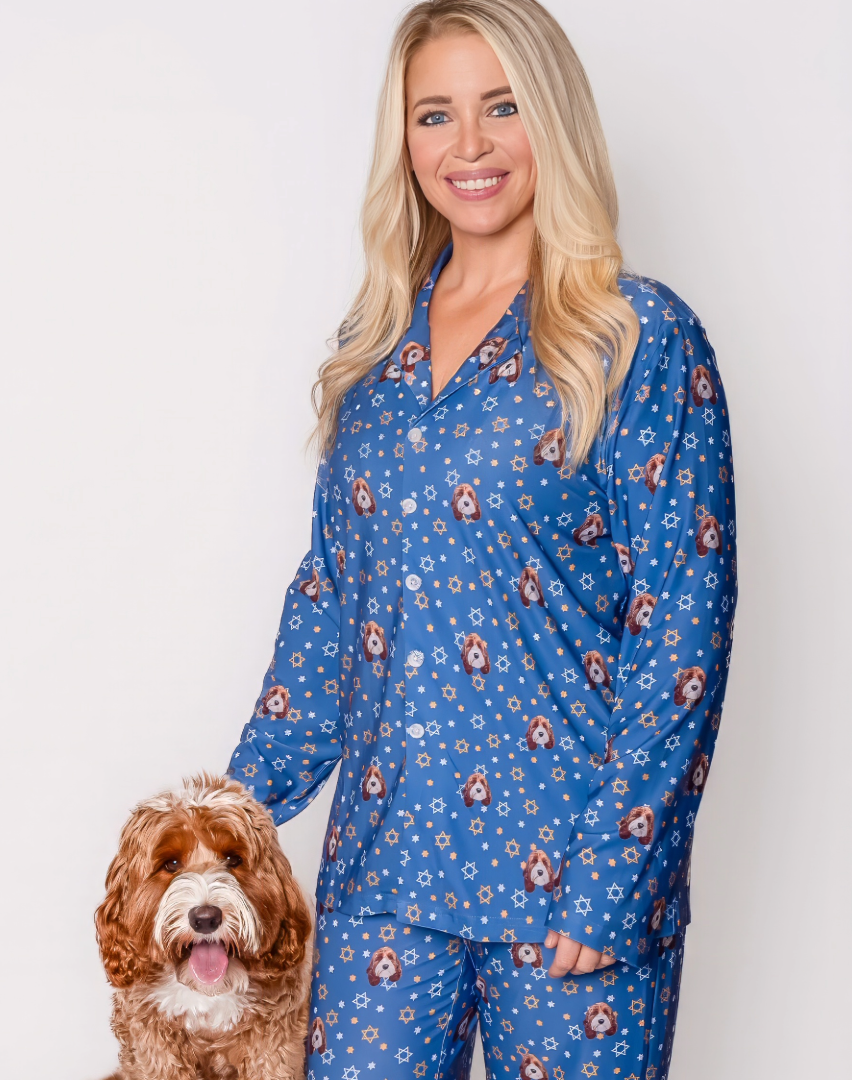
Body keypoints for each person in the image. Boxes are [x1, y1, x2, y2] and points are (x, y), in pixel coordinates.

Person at [227, 2, 737, 1077]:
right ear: (402, 141)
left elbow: (681, 630)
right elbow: (329, 613)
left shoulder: (634, 340)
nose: (468, 145)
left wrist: (616, 882)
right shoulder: (372, 363)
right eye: (435, 114)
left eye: (501, 106)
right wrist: (226, 826)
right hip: (383, 882)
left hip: (568, 892)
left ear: (551, 119)